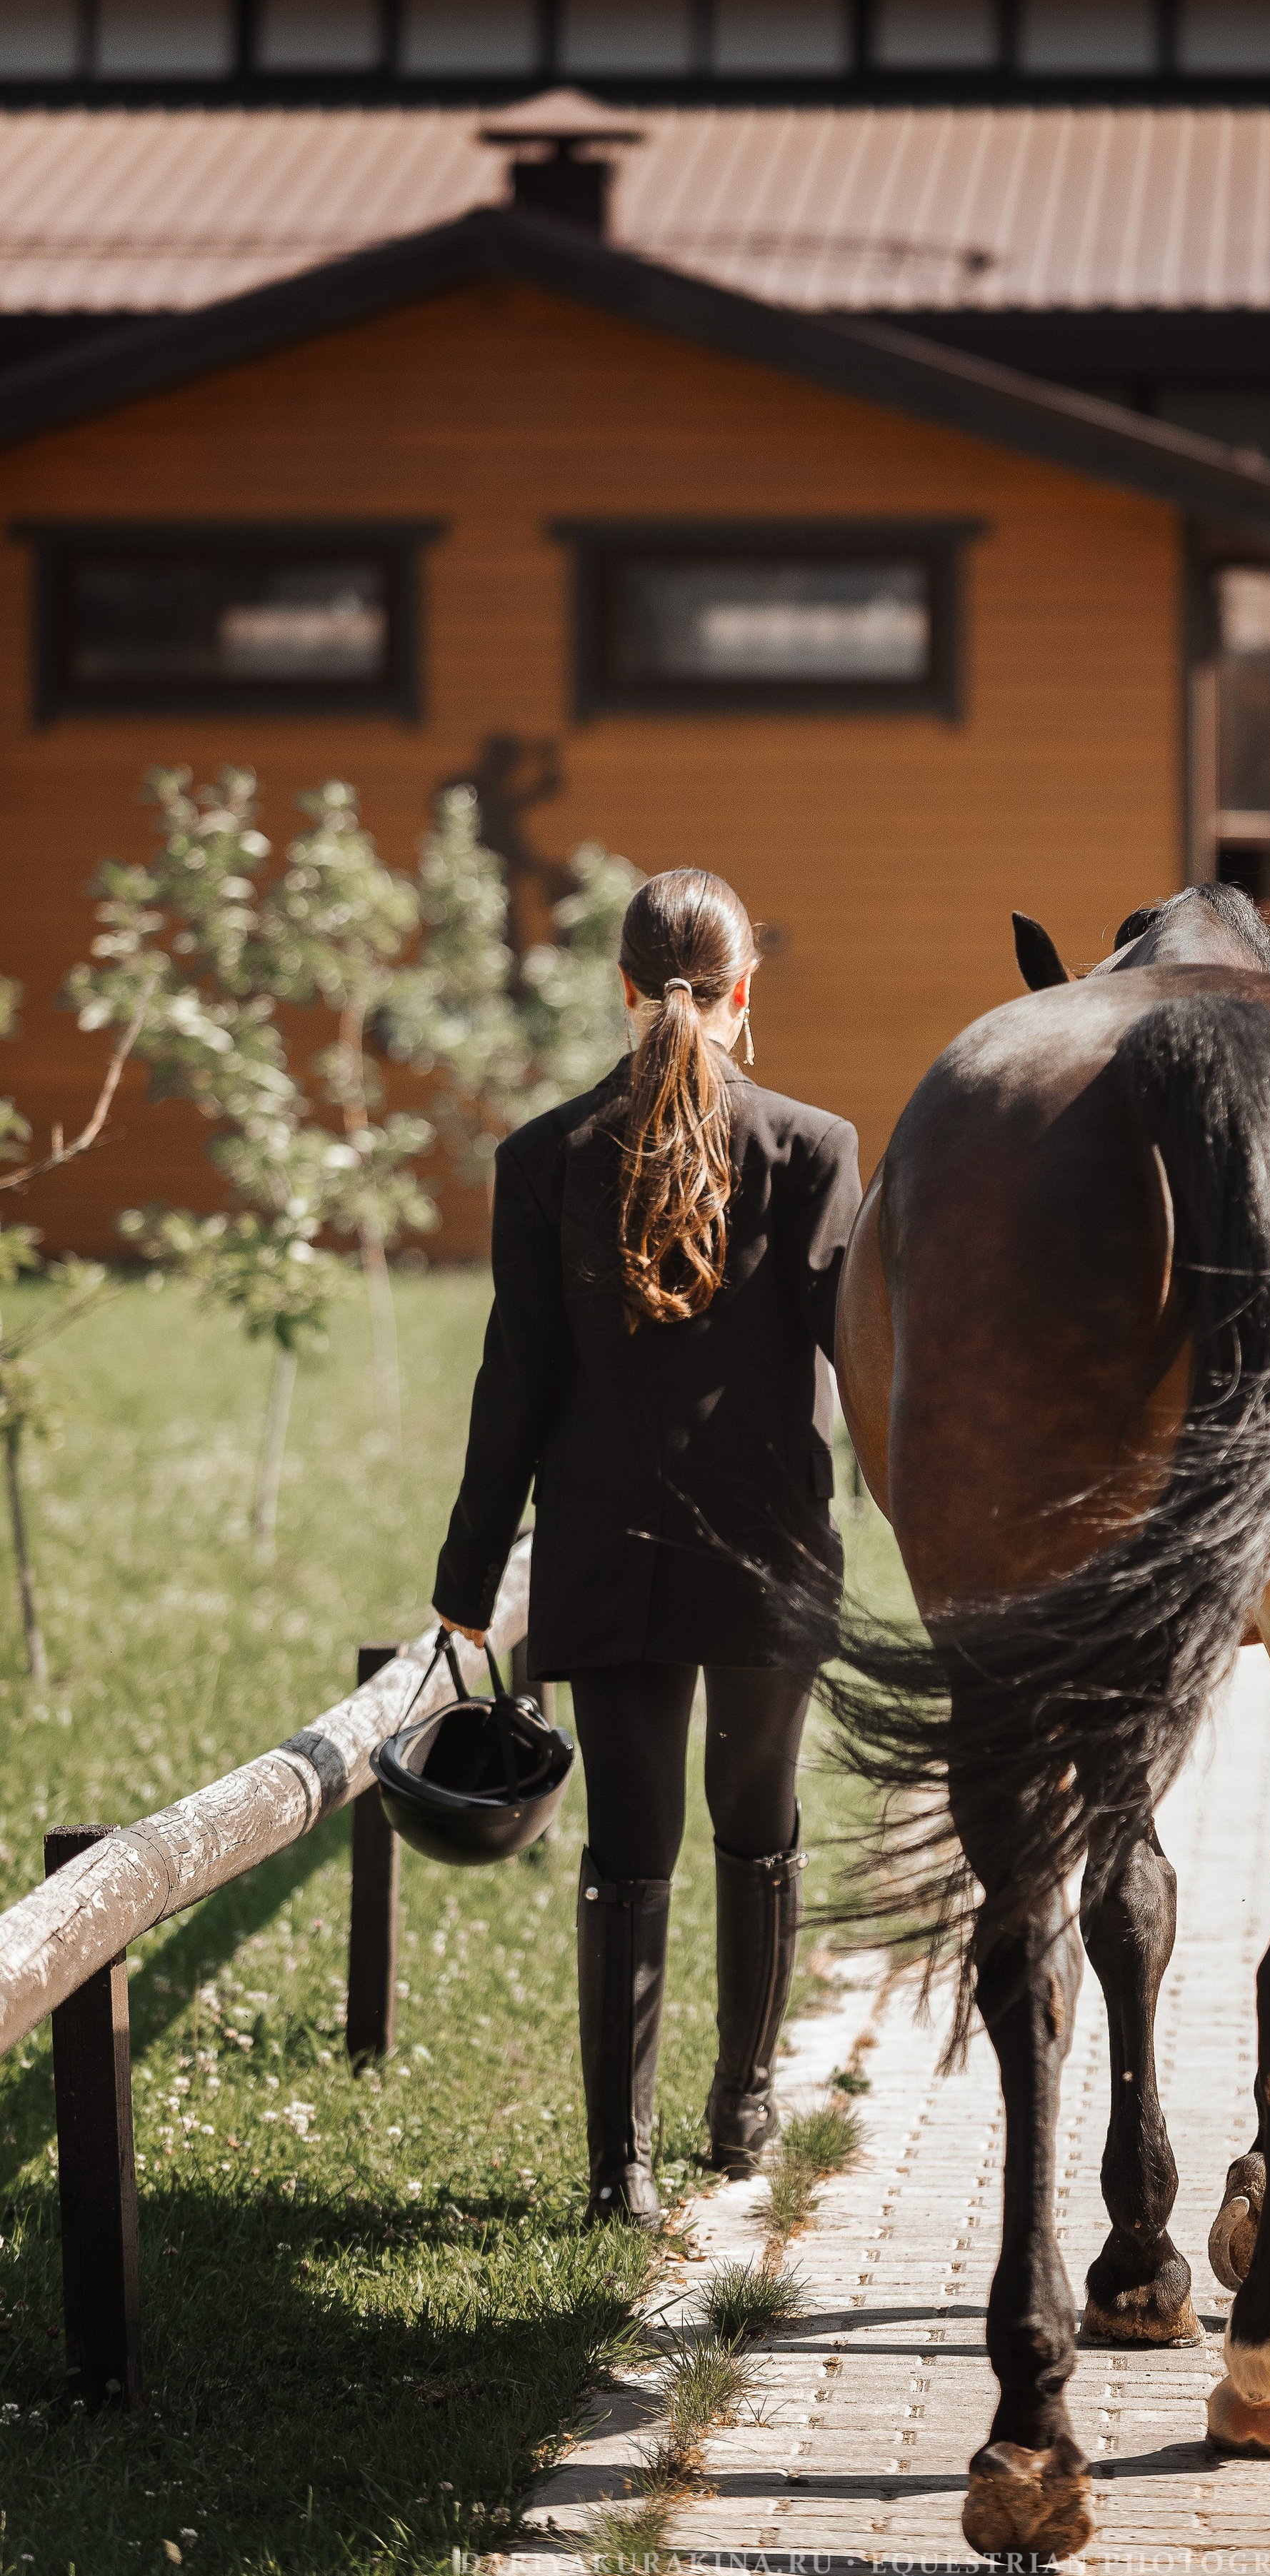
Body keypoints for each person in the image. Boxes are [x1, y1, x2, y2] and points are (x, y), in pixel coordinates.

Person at [432, 866, 861, 2225]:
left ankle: (620, 2168)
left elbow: (516, 1390)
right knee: (759, 1819)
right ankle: (743, 2108)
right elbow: (864, 1353)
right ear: (746, 997)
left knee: (627, 1846)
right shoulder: (815, 1146)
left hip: (603, 1550)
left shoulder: (544, 1157)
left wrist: (464, 1585)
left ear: (622, 990)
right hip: (770, 1554)